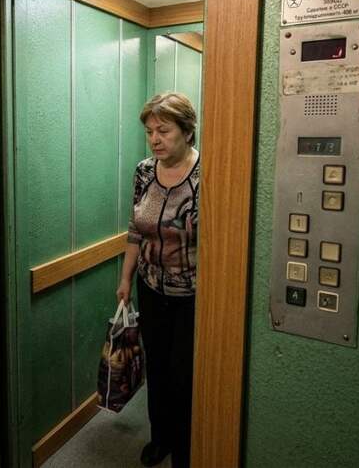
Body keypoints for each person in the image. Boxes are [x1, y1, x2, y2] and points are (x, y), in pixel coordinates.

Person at [117, 92, 199, 468]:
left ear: (187, 131)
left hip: (191, 295)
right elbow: (135, 229)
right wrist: (125, 279)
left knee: (184, 375)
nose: (155, 139)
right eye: (150, 132)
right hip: (149, 287)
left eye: (164, 131)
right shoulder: (144, 172)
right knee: (158, 368)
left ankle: (186, 449)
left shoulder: (205, 174)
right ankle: (160, 437)